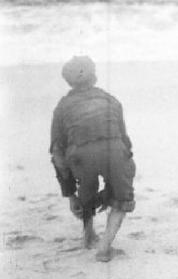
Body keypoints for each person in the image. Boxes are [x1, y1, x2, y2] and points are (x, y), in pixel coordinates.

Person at [50, 56, 136, 261]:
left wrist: (71, 194)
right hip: (113, 150)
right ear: (94, 76)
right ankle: (104, 247)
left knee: (86, 186)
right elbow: (125, 142)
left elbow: (57, 152)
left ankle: (89, 235)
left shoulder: (62, 107)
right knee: (123, 198)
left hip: (79, 156)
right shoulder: (110, 99)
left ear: (68, 81)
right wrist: (117, 185)